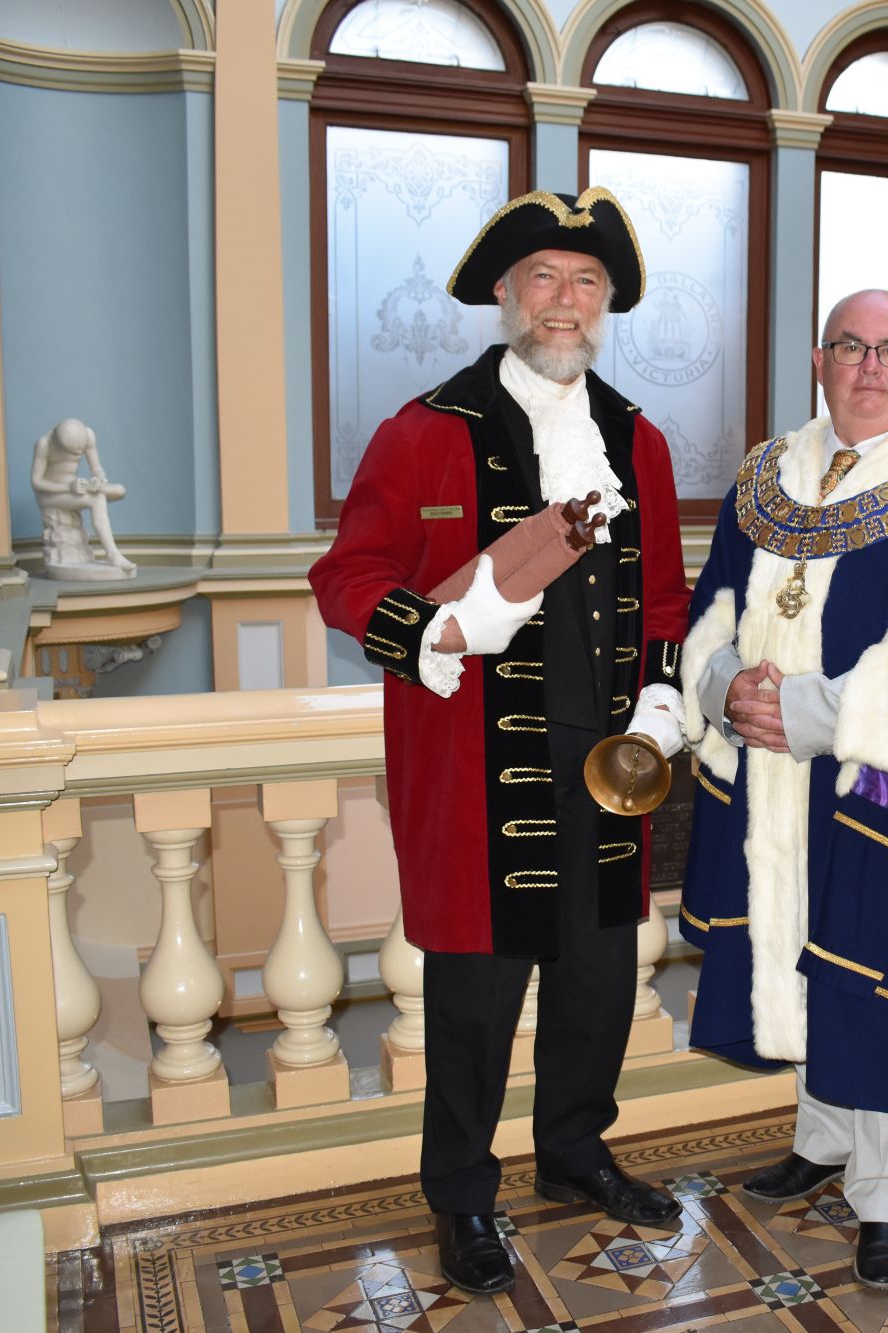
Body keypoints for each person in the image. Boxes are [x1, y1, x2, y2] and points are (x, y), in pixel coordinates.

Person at [309, 189, 692, 1297]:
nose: (562, 301)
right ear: (503, 295)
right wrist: (422, 625)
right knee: (474, 998)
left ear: (605, 302)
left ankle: (573, 1151)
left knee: (597, 982)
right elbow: (345, 576)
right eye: (541, 279)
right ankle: (462, 1195)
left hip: (606, 766)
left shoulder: (638, 438)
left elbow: (661, 599)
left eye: (584, 283)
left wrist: (661, 701)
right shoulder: (424, 429)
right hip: (481, 771)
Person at [678, 290, 888, 1290]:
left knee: (879, 970)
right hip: (770, 767)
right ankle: (820, 1135)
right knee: (792, 950)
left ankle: (885, 1195)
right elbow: (716, 606)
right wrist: (721, 683)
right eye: (848, 346)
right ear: (819, 360)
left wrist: (815, 713)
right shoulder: (765, 475)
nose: (869, 366)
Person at [32, 417, 134, 576]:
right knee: (97, 499)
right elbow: (37, 482)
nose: (78, 454)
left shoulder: (88, 435)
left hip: (76, 489)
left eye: (80, 450)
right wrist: (68, 487)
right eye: (73, 452)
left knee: (119, 490)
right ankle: (113, 554)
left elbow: (97, 467)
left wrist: (98, 479)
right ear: (58, 443)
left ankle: (113, 554)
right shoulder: (44, 444)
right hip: (51, 496)